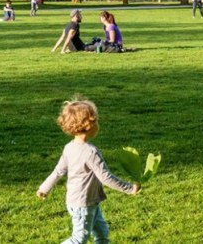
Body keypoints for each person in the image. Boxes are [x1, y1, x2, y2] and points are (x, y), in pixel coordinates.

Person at [37, 98, 140, 244]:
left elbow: (58, 171)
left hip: (84, 201)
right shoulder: (91, 152)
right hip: (83, 204)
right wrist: (129, 188)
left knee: (102, 233)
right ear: (88, 125)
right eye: (96, 121)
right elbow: (106, 177)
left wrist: (44, 188)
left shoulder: (69, 147)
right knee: (79, 239)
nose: (98, 125)